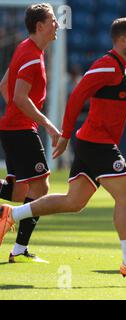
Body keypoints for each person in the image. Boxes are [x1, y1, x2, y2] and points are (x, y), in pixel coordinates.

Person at [0, 17, 126, 282]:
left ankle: (12, 213)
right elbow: (77, 96)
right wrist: (63, 136)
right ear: (121, 40)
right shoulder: (107, 65)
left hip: (96, 142)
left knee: (73, 202)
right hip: (97, 143)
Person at [0, 3, 60, 263]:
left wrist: (15, 109)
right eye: (53, 21)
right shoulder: (32, 57)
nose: (57, 24)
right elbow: (20, 97)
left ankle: (16, 238)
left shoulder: (25, 48)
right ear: (40, 26)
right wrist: (47, 124)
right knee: (42, 186)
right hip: (22, 130)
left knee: (17, 193)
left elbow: (5, 86)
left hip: (13, 127)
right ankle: (20, 249)